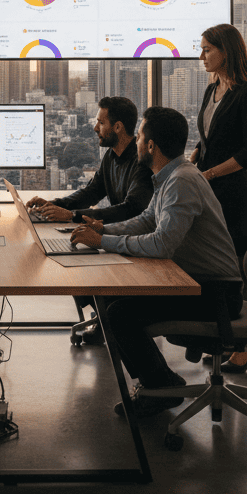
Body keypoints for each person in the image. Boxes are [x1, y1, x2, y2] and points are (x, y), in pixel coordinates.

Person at [71, 106, 243, 419]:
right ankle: (159, 382)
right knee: (111, 299)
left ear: (151, 146)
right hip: (196, 280)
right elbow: (148, 219)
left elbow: (162, 244)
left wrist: (104, 242)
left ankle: (160, 387)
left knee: (120, 313)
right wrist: (104, 229)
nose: (135, 142)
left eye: (138, 137)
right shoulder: (171, 175)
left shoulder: (181, 182)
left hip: (215, 293)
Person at [26, 95, 154, 343]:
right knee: (71, 252)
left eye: (100, 122)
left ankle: (109, 321)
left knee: (77, 256)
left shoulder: (140, 162)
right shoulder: (111, 157)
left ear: (117, 127)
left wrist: (72, 216)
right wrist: (54, 205)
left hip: (134, 241)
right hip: (117, 233)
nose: (96, 128)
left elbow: (132, 209)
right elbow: (91, 193)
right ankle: (103, 318)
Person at [192, 23, 247, 373]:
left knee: (235, 265)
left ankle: (245, 344)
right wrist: (192, 160)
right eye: (202, 49)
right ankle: (222, 333)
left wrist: (209, 174)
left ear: (226, 51)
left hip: (232, 193)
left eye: (207, 49)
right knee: (212, 262)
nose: (202, 55)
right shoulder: (212, 89)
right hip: (207, 189)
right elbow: (208, 139)